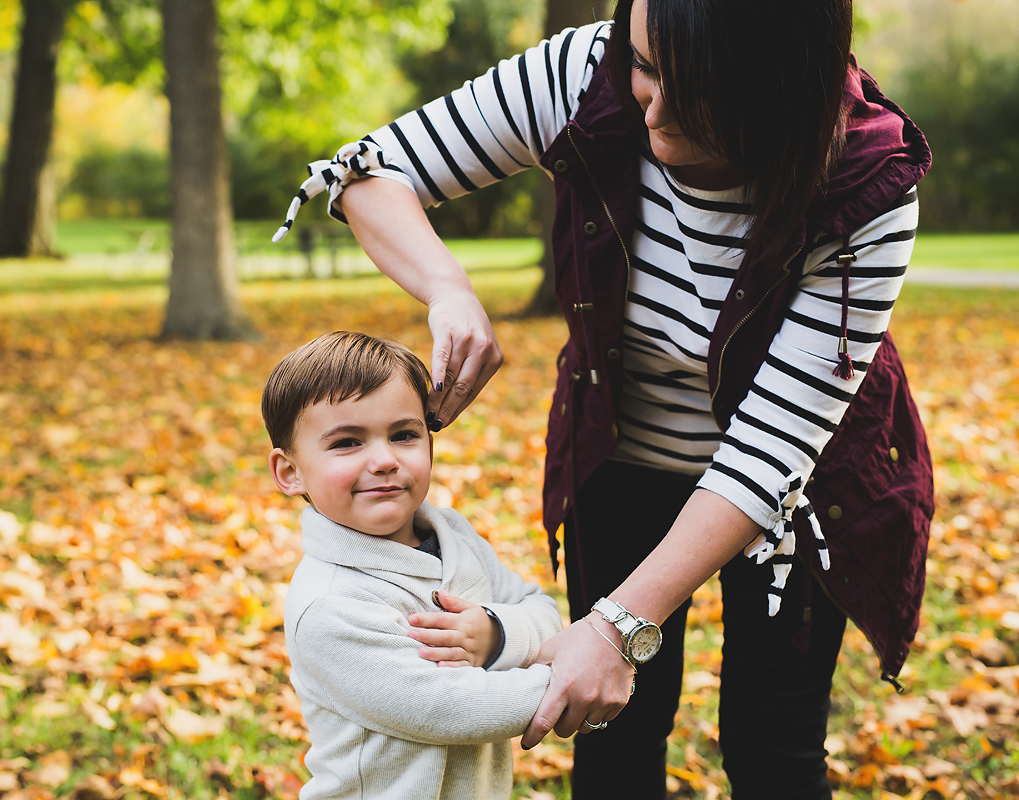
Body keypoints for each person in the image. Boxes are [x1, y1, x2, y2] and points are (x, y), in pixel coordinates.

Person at [273, 0, 935, 796]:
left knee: (775, 746)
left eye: (685, 88)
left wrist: (621, 625)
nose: (645, 103)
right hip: (621, 456)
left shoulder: (867, 178)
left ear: (774, 88)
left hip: (795, 494)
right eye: (643, 65)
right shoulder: (588, 73)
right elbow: (366, 170)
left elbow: (769, 454)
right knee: (619, 741)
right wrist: (445, 287)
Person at [263, 331, 563, 800]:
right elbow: (449, 709)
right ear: (290, 471)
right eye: (347, 442)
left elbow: (540, 610)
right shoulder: (329, 603)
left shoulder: (454, 536)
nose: (384, 460)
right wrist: (572, 675)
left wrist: (498, 633)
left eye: (403, 435)